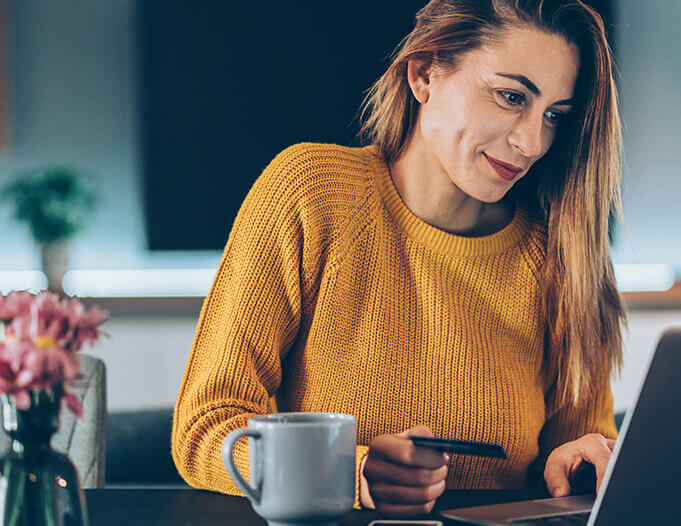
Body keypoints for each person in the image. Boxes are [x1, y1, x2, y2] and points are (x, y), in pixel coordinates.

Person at [171, 0, 626, 518]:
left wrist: (577, 463)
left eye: (553, 117)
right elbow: (206, 425)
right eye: (509, 96)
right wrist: (349, 474)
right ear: (425, 75)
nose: (531, 141)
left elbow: (581, 455)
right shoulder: (309, 196)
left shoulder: (563, 252)